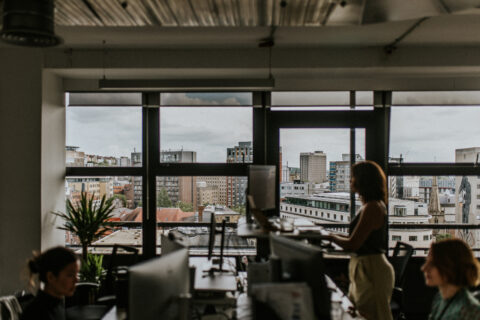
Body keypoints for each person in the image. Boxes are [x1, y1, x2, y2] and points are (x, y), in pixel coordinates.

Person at [325, 160, 394, 320]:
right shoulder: (372, 205)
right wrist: (328, 234)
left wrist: (329, 237)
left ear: (363, 180)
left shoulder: (372, 208)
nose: (350, 180)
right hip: (366, 268)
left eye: (353, 177)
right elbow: (355, 238)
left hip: (371, 270)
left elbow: (353, 244)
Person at [422, 239, 480, 320]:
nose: (424, 268)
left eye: (432, 264)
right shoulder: (440, 298)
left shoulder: (470, 311)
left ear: (449, 267)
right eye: (426, 262)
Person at [21, 246, 79, 320]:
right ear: (50, 277)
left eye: (77, 274)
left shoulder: (57, 304)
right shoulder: (36, 313)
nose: (76, 280)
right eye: (70, 275)